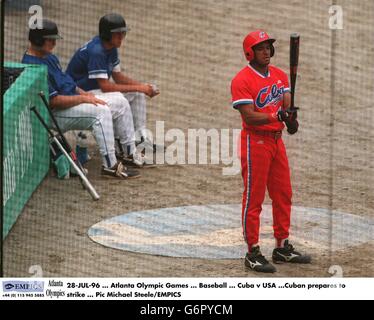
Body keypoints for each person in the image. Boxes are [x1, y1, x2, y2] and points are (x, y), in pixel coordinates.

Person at [230, 30, 311, 273]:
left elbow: (286, 104)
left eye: (268, 47)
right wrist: (276, 115)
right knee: (254, 199)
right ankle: (252, 252)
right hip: (254, 142)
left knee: (283, 194)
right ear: (250, 52)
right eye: (261, 48)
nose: (266, 51)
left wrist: (291, 120)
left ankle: (281, 246)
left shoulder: (279, 75)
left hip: (276, 142)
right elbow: (249, 116)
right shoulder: (242, 80)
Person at [22, 18, 140, 179]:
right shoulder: (32, 67)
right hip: (54, 114)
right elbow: (54, 101)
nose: (54, 44)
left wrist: (86, 94)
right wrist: (83, 100)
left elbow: (69, 83)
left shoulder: (49, 57)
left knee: (120, 101)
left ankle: (129, 153)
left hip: (72, 102)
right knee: (101, 112)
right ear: (38, 40)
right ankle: (110, 165)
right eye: (51, 40)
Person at [66, 13, 160, 163]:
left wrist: (142, 87)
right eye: (118, 33)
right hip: (80, 94)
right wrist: (141, 88)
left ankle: (140, 138)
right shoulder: (97, 51)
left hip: (95, 90)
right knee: (121, 101)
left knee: (137, 92)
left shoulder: (110, 47)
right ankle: (126, 149)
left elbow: (118, 77)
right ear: (107, 34)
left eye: (123, 33)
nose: (122, 36)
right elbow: (106, 85)